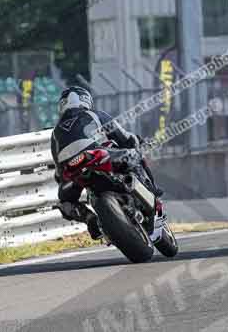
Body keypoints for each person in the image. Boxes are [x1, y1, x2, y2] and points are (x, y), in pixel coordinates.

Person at [51, 86, 162, 240]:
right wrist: (138, 142)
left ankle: (91, 220)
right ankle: (153, 193)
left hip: (72, 170)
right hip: (96, 156)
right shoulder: (94, 114)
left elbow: (58, 169)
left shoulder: (55, 132)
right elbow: (124, 137)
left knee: (65, 202)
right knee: (135, 155)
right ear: (86, 100)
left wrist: (64, 178)